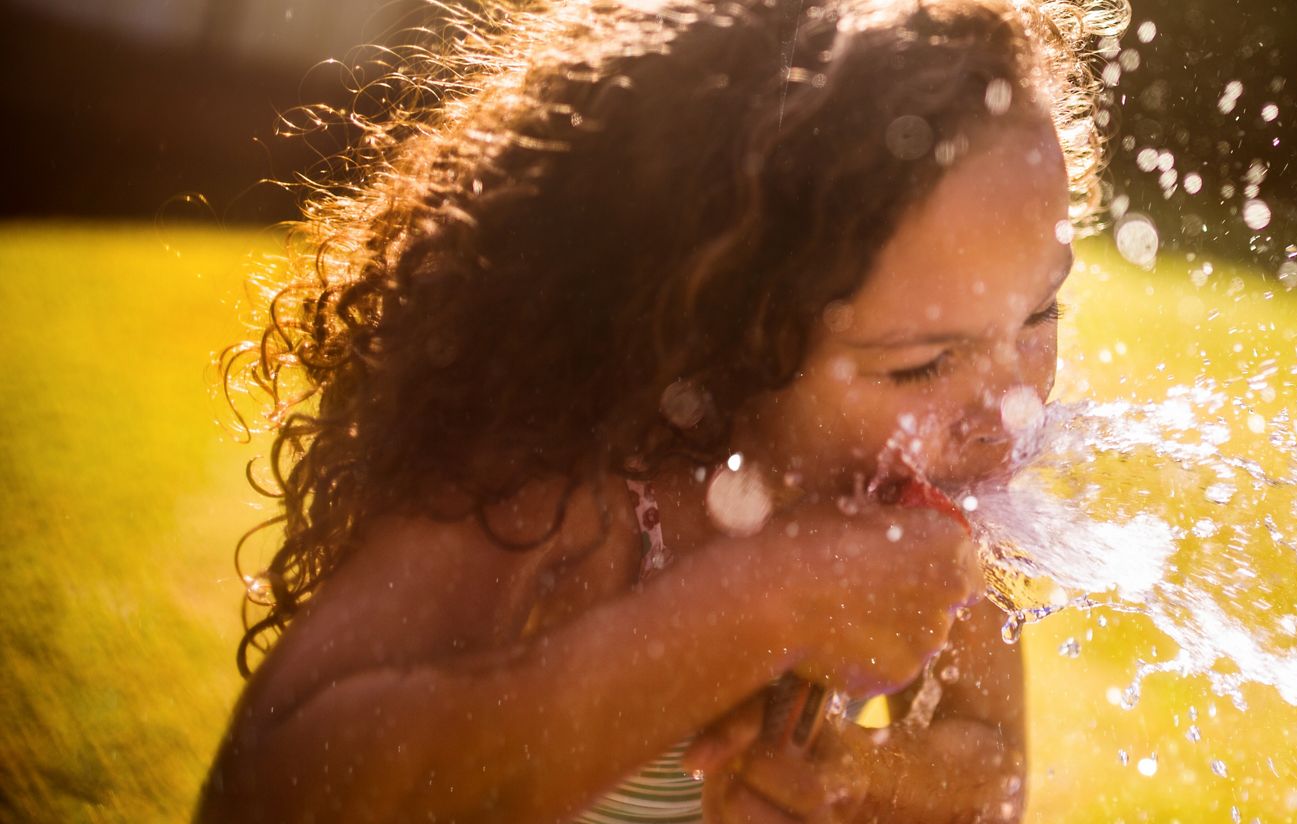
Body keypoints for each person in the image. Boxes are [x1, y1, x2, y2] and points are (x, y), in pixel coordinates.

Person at [197, 0, 1124, 820]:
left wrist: (854, 776)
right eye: (922, 364)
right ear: (721, 331)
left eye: (1041, 312)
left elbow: (991, 764)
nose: (1010, 411)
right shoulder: (566, 484)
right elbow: (265, 790)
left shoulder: (935, 479)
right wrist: (767, 604)